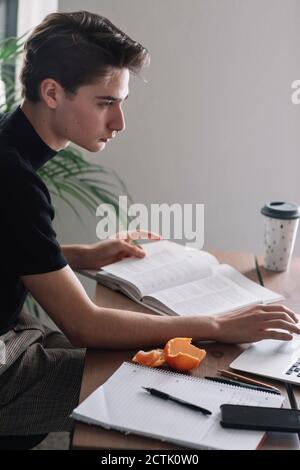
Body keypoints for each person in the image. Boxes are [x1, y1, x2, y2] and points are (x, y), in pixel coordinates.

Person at [0, 10, 299, 437]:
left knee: (158, 363)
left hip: (16, 332)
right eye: (105, 102)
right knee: (157, 382)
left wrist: (80, 255)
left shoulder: (10, 146)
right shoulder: (14, 177)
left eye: (121, 102)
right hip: (6, 359)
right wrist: (217, 325)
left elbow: (11, 245)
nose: (119, 122)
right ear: (52, 92)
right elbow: (83, 324)